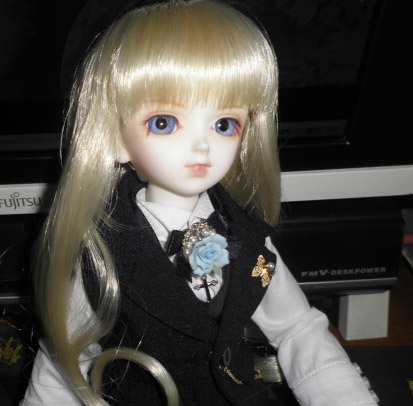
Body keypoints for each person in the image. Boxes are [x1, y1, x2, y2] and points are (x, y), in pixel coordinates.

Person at [21, 1, 379, 405]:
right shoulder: (102, 256)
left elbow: (297, 327)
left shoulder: (247, 238)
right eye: (163, 123)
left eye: (224, 124)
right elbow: (65, 359)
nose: (202, 145)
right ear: (117, 138)